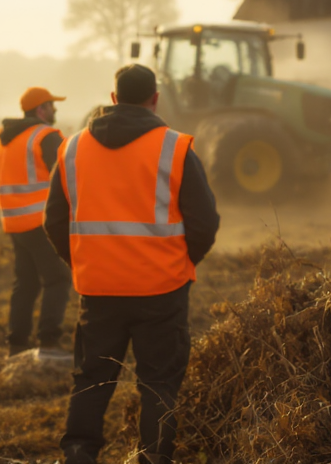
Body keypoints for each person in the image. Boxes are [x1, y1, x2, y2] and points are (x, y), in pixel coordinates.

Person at [45, 64, 219, 464]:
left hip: (98, 289)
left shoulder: (72, 148)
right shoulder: (174, 147)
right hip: (162, 289)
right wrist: (180, 261)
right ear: (155, 99)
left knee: (91, 380)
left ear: (113, 99)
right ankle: (154, 457)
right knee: (159, 383)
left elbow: (53, 220)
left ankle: (78, 454)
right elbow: (205, 222)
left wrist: (85, 263)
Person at [0, 87, 70, 358]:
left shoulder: (4, 140)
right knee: (58, 279)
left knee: (25, 283)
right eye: (51, 105)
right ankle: (49, 344)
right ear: (41, 110)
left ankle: (17, 345)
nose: (55, 110)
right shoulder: (46, 136)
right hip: (41, 221)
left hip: (14, 223)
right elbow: (66, 176)